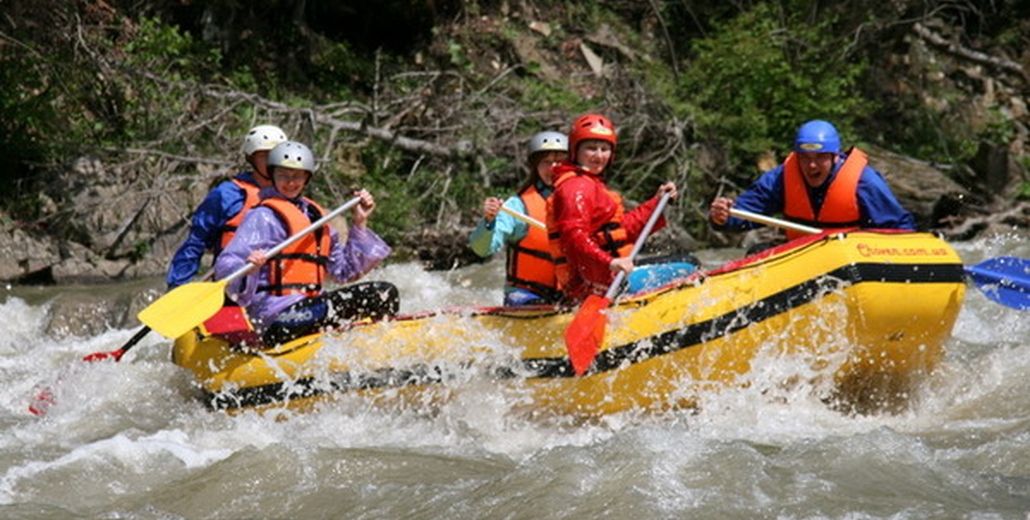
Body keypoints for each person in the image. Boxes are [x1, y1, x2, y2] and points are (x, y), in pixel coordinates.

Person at [214, 140, 398, 346]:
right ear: (272, 176)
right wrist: (248, 267)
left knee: (384, 294)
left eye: (297, 177)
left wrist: (360, 222)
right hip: (278, 317)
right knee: (376, 294)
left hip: (311, 309)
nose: (290, 182)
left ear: (306, 179)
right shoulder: (262, 217)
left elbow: (345, 272)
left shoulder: (317, 219)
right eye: (283, 175)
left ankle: (378, 351)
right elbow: (227, 265)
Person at [547, 113, 692, 304]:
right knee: (688, 266)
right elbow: (574, 236)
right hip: (597, 282)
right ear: (575, 151)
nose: (599, 156)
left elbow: (620, 230)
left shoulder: (590, 184)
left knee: (684, 261)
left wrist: (656, 202)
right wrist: (611, 262)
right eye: (591, 148)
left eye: (604, 149)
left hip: (603, 277)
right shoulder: (576, 187)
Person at [709, 119, 916, 240]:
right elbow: (745, 213)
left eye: (819, 158)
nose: (812, 166)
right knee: (757, 252)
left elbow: (898, 228)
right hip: (801, 257)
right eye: (805, 158)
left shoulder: (864, 182)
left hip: (850, 260)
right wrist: (723, 217)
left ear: (835, 156)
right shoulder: (782, 178)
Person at [166, 124, 288, 289]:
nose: (271, 163)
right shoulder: (227, 194)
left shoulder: (291, 194)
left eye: (276, 156)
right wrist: (177, 286)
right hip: (236, 285)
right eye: (265, 156)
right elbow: (196, 243)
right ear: (251, 158)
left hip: (280, 287)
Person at [469, 131, 568, 306]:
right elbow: (482, 249)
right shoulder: (517, 206)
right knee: (536, 304)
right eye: (546, 162)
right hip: (526, 294)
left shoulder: (581, 200)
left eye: (559, 161)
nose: (553, 168)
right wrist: (489, 221)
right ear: (535, 166)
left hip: (567, 293)